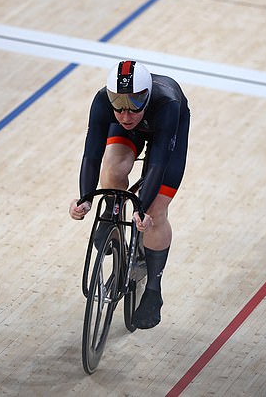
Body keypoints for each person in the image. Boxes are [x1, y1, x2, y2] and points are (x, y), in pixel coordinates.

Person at [69, 60, 190, 329]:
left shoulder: (167, 103)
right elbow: (91, 153)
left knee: (155, 212)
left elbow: (158, 162)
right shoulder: (104, 101)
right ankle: (111, 210)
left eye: (133, 106)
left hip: (166, 133)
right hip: (134, 133)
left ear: (146, 96)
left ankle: (154, 290)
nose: (125, 116)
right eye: (119, 107)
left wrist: (141, 208)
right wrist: (85, 198)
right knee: (112, 169)